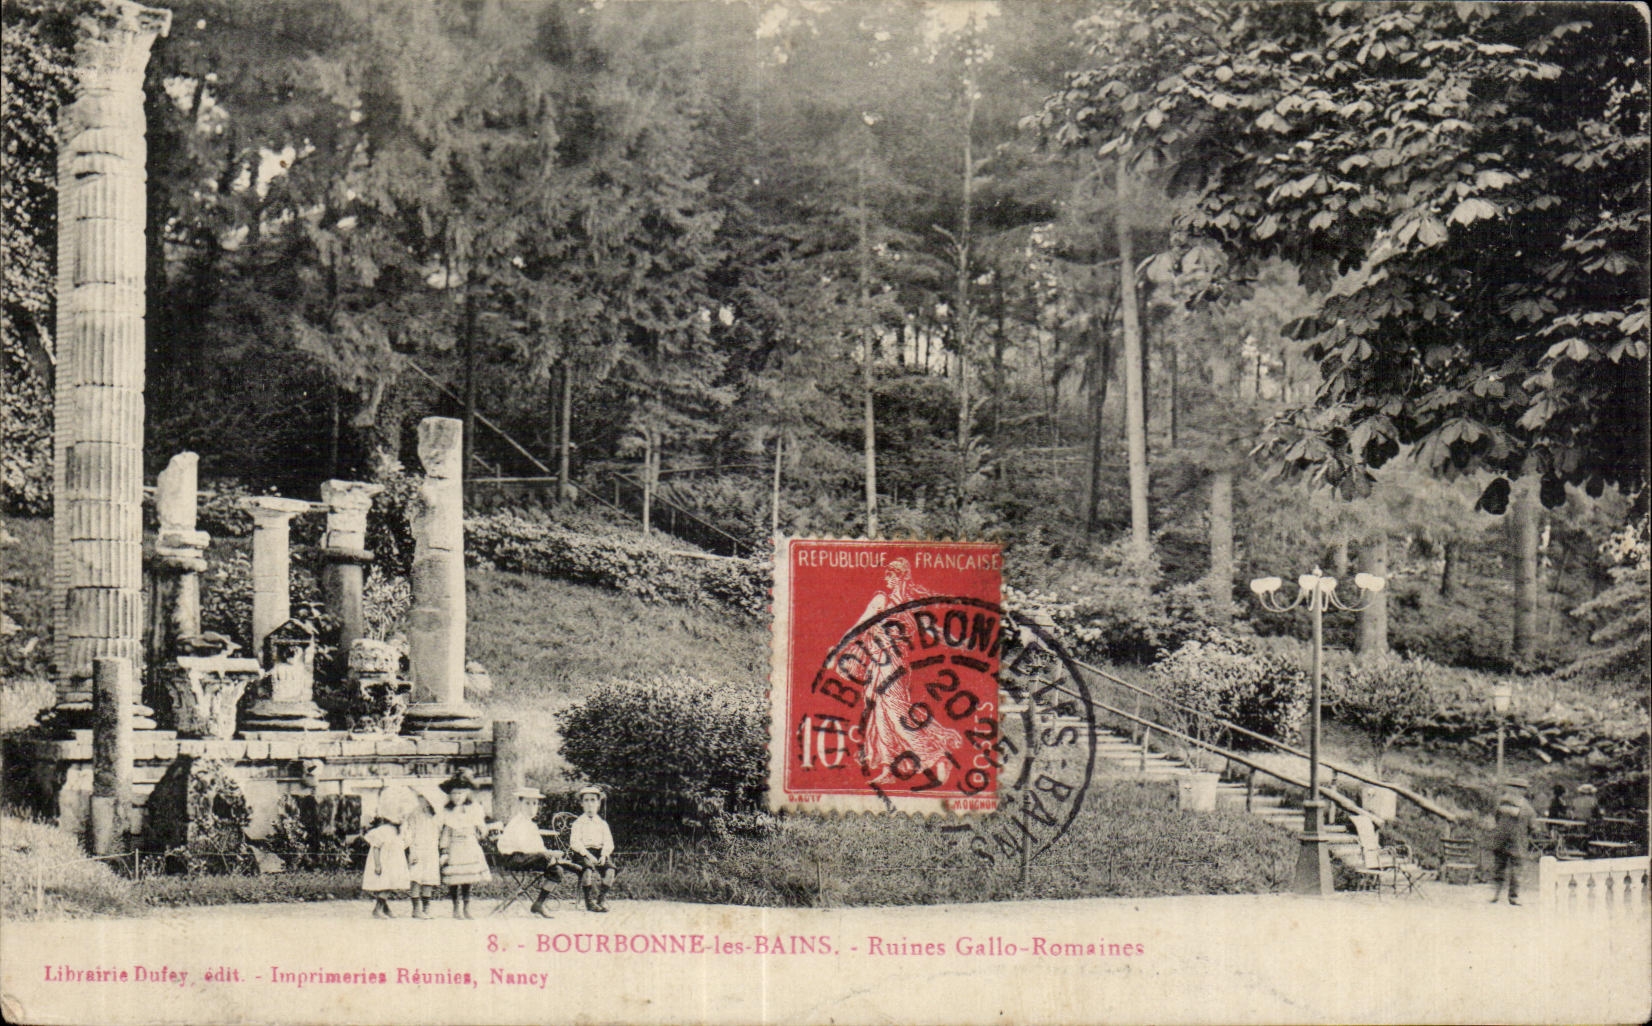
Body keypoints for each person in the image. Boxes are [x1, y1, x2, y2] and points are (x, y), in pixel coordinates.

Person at [854, 558, 963, 786]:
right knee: (879, 715)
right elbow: (860, 624)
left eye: (892, 576)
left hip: (895, 665)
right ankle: (889, 768)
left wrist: (956, 642)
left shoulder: (911, 604)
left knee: (897, 713)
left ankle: (938, 756)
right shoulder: (881, 599)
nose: (887, 580)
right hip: (878, 662)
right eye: (887, 576)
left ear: (901, 577)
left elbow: (930, 629)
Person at [495, 787, 565, 918]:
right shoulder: (517, 823)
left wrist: (551, 855)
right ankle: (552, 861)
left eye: (535, 803)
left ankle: (538, 903)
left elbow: (539, 847)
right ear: (520, 804)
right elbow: (525, 847)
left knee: (557, 870)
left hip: (528, 858)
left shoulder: (531, 825)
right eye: (527, 803)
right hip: (513, 858)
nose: (531, 807)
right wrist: (548, 854)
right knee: (546, 856)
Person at [436, 770, 492, 919]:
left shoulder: (473, 809)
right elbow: (446, 832)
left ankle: (467, 907)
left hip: (469, 846)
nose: (457, 797)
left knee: (467, 878)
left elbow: (481, 829)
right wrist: (444, 850)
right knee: (454, 879)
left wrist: (481, 831)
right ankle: (456, 907)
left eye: (460, 793)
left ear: (466, 793)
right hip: (455, 847)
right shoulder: (447, 811)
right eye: (454, 794)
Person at [568, 785, 616, 913]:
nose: (590, 804)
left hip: (600, 853)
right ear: (582, 804)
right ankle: (588, 901)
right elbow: (575, 842)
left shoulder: (602, 824)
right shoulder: (578, 823)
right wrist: (588, 855)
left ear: (598, 803)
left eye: (593, 800)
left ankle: (601, 899)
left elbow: (609, 842)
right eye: (586, 800)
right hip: (582, 853)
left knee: (610, 871)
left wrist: (604, 855)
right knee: (587, 869)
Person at [1489, 777, 1536, 906]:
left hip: (1500, 840)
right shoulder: (1526, 807)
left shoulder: (1500, 803)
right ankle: (1513, 897)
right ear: (1522, 790)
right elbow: (1533, 827)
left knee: (1499, 867)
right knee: (1517, 869)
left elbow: (1496, 819)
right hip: (1517, 842)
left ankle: (1495, 894)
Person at [402, 788, 442, 920]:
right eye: (420, 798)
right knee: (416, 878)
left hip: (431, 850)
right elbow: (409, 834)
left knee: (429, 879)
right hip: (418, 848)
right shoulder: (414, 814)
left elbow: (439, 833)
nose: (422, 801)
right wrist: (412, 851)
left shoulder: (437, 815)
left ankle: (426, 908)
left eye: (424, 798)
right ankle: (416, 909)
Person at [361, 817, 410, 919]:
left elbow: (403, 846)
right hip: (383, 862)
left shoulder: (400, 832)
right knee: (385, 886)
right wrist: (377, 864)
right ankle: (377, 909)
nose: (400, 820)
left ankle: (385, 908)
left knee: (389, 884)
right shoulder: (382, 830)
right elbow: (376, 847)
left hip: (393, 863)